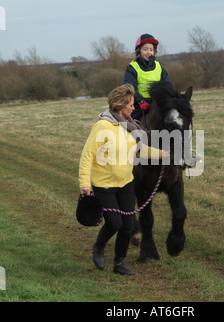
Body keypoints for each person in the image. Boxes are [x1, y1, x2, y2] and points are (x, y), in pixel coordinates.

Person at [79, 84, 166, 276]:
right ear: (120, 106)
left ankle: (119, 263)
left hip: (126, 183)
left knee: (127, 227)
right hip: (104, 185)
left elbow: (140, 150)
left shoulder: (129, 127)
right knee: (114, 224)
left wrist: (165, 154)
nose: (134, 108)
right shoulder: (102, 126)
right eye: (130, 105)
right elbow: (87, 155)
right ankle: (99, 245)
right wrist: (84, 183)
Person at [123, 33, 170, 117]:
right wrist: (141, 101)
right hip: (138, 105)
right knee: (128, 124)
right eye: (145, 49)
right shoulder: (133, 67)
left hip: (157, 104)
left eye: (151, 50)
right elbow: (129, 87)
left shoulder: (159, 66)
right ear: (139, 51)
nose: (149, 52)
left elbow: (167, 85)